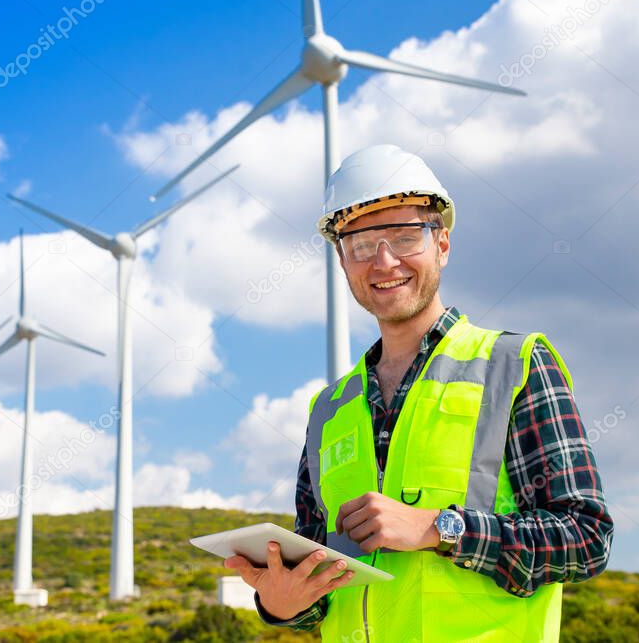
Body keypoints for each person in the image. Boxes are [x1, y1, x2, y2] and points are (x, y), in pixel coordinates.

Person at [224, 144, 614, 642]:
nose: (384, 262)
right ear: (342, 261)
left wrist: (439, 529)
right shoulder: (330, 410)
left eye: (406, 237)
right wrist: (278, 604)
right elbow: (318, 583)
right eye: (361, 244)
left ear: (443, 244)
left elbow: (586, 538)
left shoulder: (511, 366)